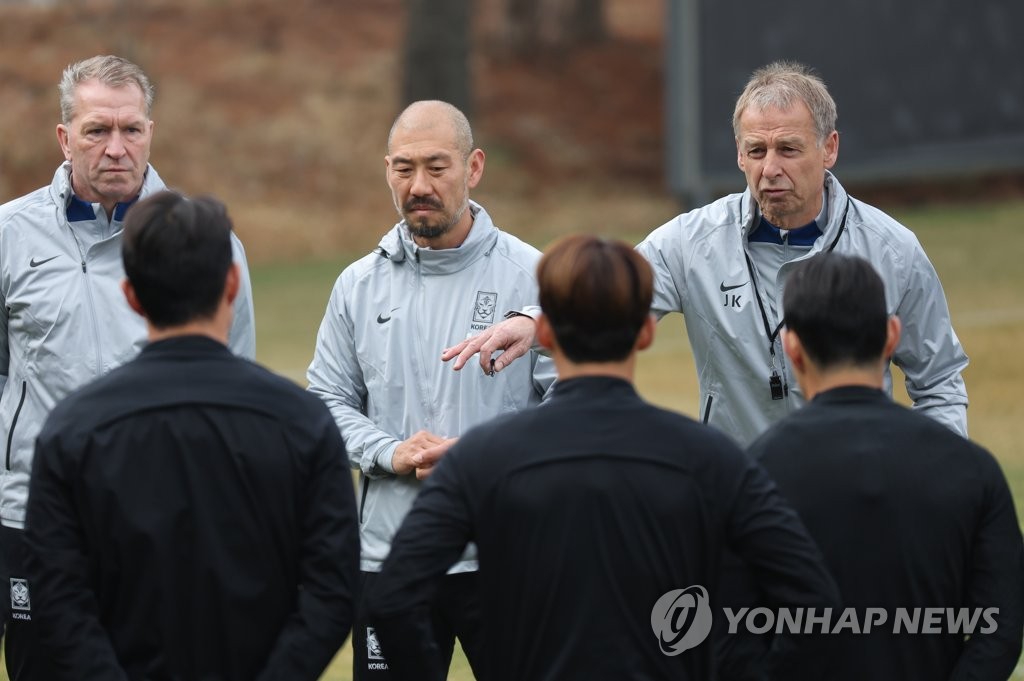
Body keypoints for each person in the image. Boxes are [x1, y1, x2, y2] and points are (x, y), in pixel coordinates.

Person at [366, 234, 841, 681]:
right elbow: (813, 596)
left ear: (544, 332)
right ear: (644, 334)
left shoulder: (483, 460)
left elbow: (393, 596)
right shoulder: (711, 458)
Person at [442, 60, 968, 446]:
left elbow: (938, 380)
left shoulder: (892, 249)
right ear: (739, 153)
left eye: (789, 149)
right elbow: (611, 296)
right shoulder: (693, 240)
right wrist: (536, 321)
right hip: (738, 496)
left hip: (857, 491)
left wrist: (944, 479)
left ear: (829, 149)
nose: (770, 168)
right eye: (756, 151)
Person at [24, 191, 358, 681]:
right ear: (231, 282)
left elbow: (55, 595)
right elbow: (333, 588)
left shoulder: (74, 428)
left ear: (131, 295)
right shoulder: (301, 422)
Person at [0, 55, 256, 680]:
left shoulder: (211, 246)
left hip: (161, 521)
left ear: (150, 132)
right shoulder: (9, 235)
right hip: (32, 519)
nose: (117, 148)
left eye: (131, 130)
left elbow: (234, 391)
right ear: (65, 138)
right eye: (97, 130)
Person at [306, 99, 556, 679]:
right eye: (403, 168)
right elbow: (325, 402)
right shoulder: (356, 286)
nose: (419, 185)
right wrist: (391, 453)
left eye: (437, 167)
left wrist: (483, 459)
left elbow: (572, 408)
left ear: (473, 168)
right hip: (390, 560)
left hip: (507, 558)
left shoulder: (536, 279)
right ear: (387, 169)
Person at [719, 253, 1024, 680]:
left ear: (792, 347)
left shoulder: (751, 476)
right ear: (891, 335)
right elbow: (1003, 629)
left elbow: (730, 633)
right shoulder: (973, 470)